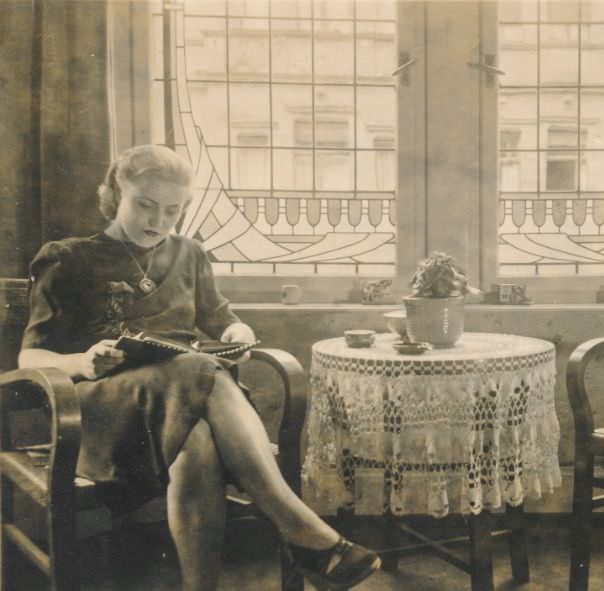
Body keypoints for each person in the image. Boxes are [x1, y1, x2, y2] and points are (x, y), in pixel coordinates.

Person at [18, 144, 380, 591]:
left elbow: (223, 320)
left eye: (173, 210)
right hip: (104, 414)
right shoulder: (68, 257)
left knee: (200, 439)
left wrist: (238, 333)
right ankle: (301, 530)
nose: (158, 221)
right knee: (197, 368)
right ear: (116, 193)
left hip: (186, 404)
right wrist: (82, 361)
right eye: (145, 205)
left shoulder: (189, 254)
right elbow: (30, 357)